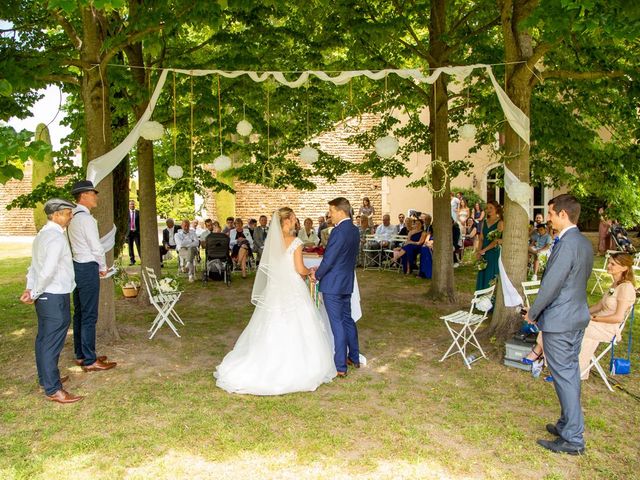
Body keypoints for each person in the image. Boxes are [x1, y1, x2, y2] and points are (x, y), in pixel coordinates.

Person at [214, 207, 336, 395]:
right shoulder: (296, 242)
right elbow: (299, 269)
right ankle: (299, 366)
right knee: (298, 323)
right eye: (294, 219)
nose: (296, 222)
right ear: (286, 221)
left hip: (276, 289)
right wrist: (312, 272)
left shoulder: (273, 243)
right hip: (293, 288)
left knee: (271, 322)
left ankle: (265, 361)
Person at [524, 194, 593, 456]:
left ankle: (573, 438)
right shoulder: (584, 243)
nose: (549, 219)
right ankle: (567, 424)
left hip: (561, 321)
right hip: (576, 317)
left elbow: (552, 283)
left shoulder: (566, 244)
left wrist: (533, 312)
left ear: (563, 215)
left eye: (551, 214)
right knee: (570, 373)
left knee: (564, 376)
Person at [523, 252, 636, 380]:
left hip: (608, 327)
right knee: (558, 318)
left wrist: (594, 319)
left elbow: (618, 318)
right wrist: (580, 313)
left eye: (613, 264)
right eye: (609, 262)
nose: (608, 265)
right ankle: (542, 353)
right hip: (595, 322)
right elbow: (599, 306)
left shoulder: (626, 288)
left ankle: (556, 366)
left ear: (624, 268)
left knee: (566, 327)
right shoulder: (615, 285)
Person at [20, 199, 84, 404]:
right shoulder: (55, 238)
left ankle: (47, 378)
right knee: (51, 342)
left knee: (44, 339)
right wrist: (36, 292)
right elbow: (45, 271)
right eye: (67, 213)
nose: (71, 216)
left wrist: (31, 289)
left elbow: (34, 266)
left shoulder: (42, 235)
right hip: (53, 294)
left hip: (46, 294)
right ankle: (53, 389)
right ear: (56, 215)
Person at [67, 180, 116, 372]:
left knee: (79, 313)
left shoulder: (73, 217)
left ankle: (81, 354)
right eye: (93, 193)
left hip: (77, 267)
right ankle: (89, 359)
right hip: (88, 267)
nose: (96, 196)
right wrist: (102, 266)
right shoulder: (86, 219)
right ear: (84, 195)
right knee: (89, 315)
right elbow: (96, 247)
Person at [311, 197, 361, 377]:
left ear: (341, 211)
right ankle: (353, 357)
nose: (329, 216)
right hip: (346, 282)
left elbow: (330, 258)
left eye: (331, 212)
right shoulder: (355, 230)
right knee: (347, 319)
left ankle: (340, 366)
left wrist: (317, 274)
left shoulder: (338, 232)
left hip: (333, 284)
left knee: (337, 323)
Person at [475, 200, 503, 290]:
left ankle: (490, 301)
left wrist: (484, 250)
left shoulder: (500, 222)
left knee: (490, 274)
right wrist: (479, 251)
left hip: (493, 252)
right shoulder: (484, 222)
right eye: (487, 208)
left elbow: (496, 241)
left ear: (496, 209)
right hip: (484, 252)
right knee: (482, 274)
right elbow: (481, 239)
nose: (489, 210)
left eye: (491, 208)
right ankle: (481, 301)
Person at [126, 200, 140, 265]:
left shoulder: (138, 212)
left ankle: (142, 259)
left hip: (136, 233)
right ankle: (132, 260)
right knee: (130, 247)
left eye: (133, 204)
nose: (132, 205)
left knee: (139, 246)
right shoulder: (126, 213)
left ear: (135, 205)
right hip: (129, 233)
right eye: (131, 204)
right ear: (129, 205)